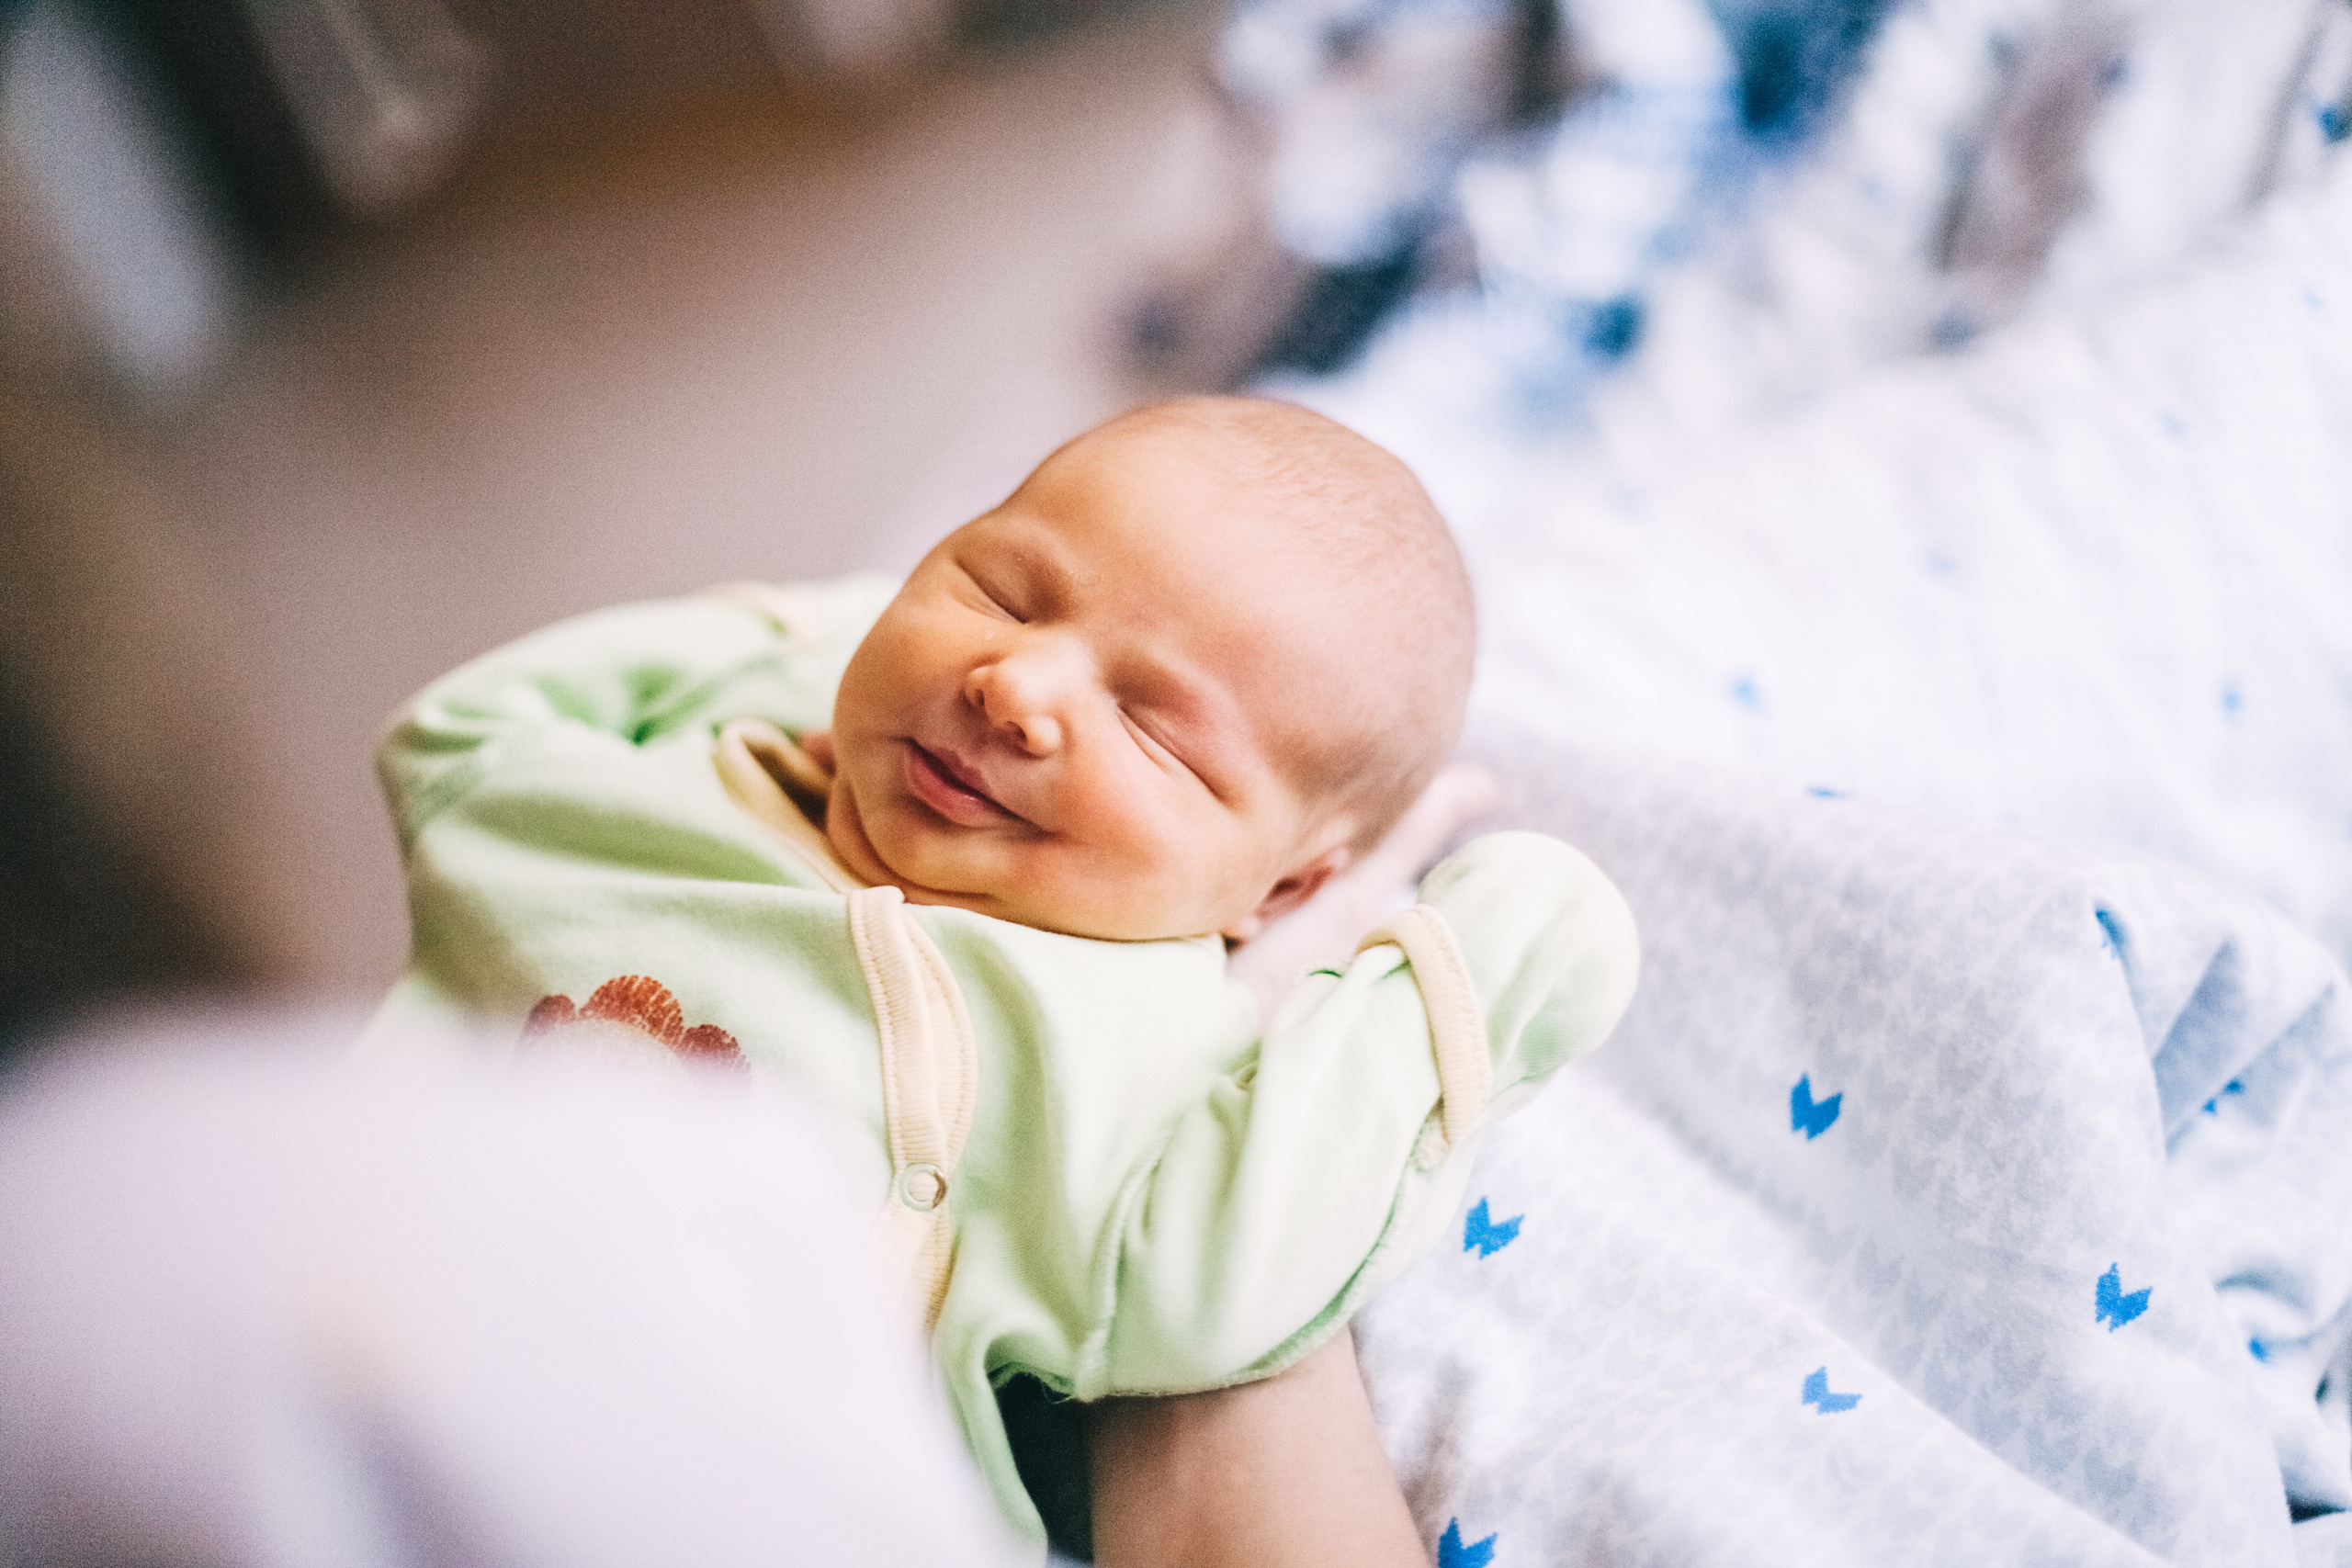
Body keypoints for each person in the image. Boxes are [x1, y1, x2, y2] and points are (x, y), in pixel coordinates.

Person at [367, 395, 1640, 1564]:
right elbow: (455, 733)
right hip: (352, 1337)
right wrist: (804, 638)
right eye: (1001, 592)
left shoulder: (1137, 1051)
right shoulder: (651, 790)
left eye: (1154, 728)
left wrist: (1459, 979)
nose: (1015, 687)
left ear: (1283, 894)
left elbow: (1221, 1282)